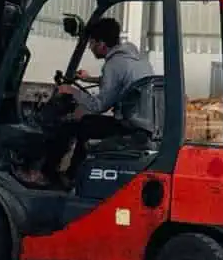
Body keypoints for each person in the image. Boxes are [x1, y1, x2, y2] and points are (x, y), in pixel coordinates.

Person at [34, 19, 155, 186]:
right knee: (86, 124)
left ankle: (49, 175)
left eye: (92, 43)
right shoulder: (134, 57)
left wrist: (72, 91)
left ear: (102, 44)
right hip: (143, 125)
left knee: (73, 126)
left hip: (129, 128)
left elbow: (98, 106)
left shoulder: (113, 64)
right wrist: (89, 79)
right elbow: (118, 82)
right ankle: (71, 174)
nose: (90, 47)